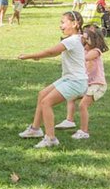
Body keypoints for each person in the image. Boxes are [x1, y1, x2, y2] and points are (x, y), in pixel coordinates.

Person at [18, 11, 88, 148]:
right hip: (69, 79)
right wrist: (39, 56)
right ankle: (35, 129)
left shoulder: (72, 40)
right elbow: (55, 52)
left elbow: (51, 51)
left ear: (74, 24)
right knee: (42, 94)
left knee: (46, 103)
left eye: (63, 22)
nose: (60, 25)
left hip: (76, 82)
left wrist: (29, 56)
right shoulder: (75, 39)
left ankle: (50, 138)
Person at [55, 25, 108, 139]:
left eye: (85, 39)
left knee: (83, 105)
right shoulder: (84, 50)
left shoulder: (96, 51)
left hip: (97, 84)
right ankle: (69, 120)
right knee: (71, 97)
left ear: (93, 40)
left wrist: (74, 53)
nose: (82, 41)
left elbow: (85, 58)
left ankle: (84, 131)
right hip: (86, 83)